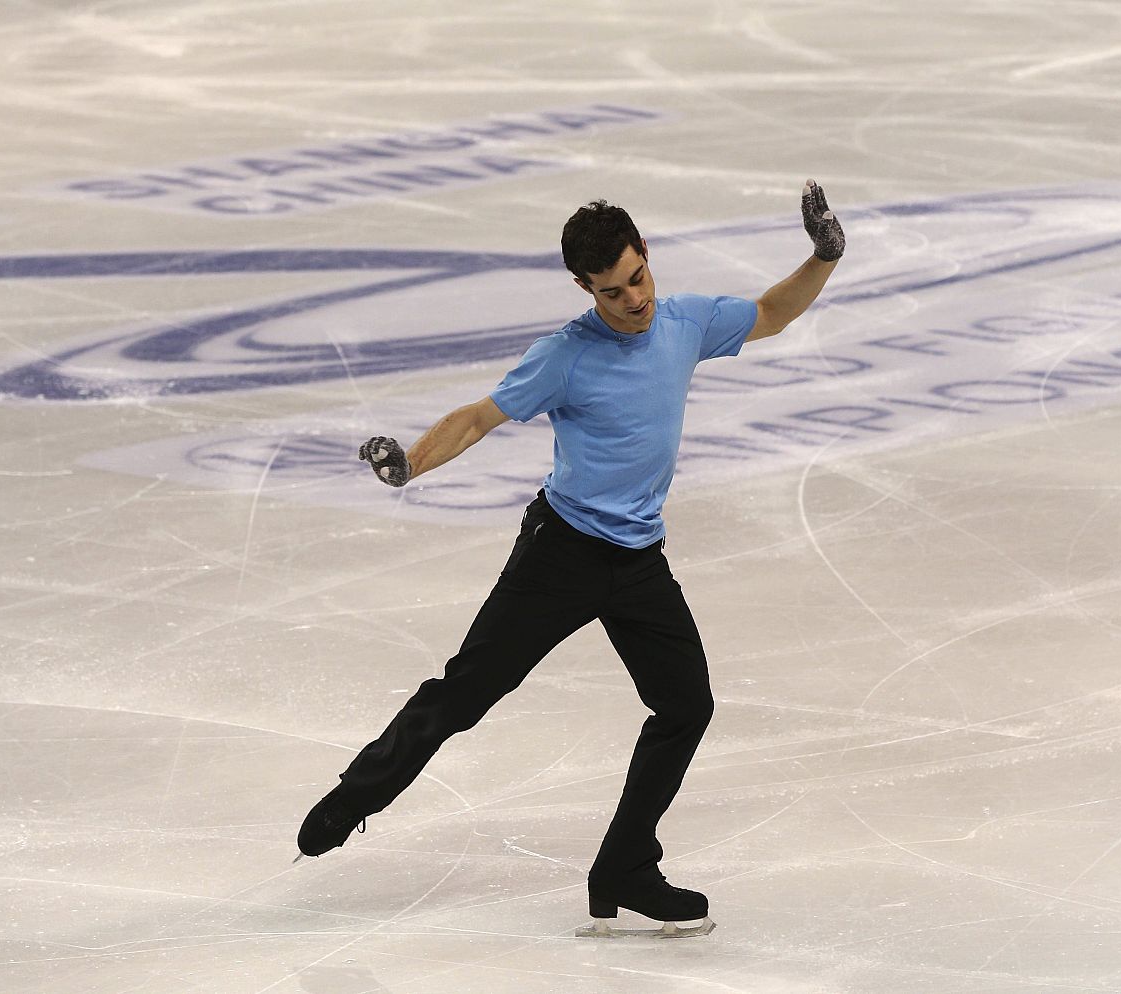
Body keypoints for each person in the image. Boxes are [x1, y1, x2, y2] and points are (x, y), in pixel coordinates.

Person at [298, 181, 846, 935]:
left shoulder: (685, 322)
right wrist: (411, 464)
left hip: (639, 561)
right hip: (560, 555)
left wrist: (823, 256)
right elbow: (478, 418)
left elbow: (772, 312)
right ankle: (352, 798)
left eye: (637, 278)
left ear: (645, 252)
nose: (633, 300)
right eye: (612, 292)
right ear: (585, 288)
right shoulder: (566, 356)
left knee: (686, 705)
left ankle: (625, 867)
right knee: (466, 693)